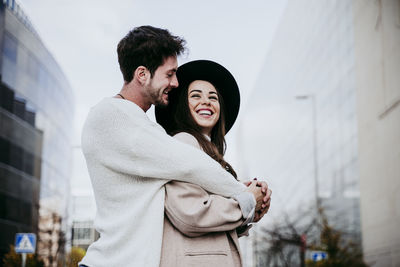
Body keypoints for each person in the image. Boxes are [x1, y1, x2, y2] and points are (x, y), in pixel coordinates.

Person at [79, 26, 269, 267]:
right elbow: (190, 163)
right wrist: (248, 196)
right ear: (142, 74)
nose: (176, 82)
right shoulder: (114, 116)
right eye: (170, 74)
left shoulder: (135, 124)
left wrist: (247, 198)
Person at [156, 60, 272, 266]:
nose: (206, 102)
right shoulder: (183, 141)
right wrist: (247, 202)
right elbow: (190, 214)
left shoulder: (208, 152)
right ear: (183, 105)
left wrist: (254, 205)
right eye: (195, 96)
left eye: (213, 97)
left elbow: (213, 221)